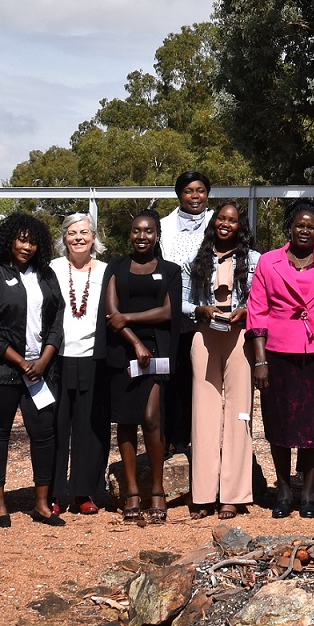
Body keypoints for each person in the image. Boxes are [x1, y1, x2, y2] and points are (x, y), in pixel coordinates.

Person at [247, 201, 314, 520]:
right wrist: (260, 360)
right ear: (289, 229)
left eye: (311, 226)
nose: (305, 230)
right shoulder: (268, 262)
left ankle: (308, 493)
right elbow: (257, 311)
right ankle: (283, 491)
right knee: (279, 424)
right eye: (299, 225)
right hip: (278, 355)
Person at [0, 212, 65, 527]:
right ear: (9, 239)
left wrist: (44, 359)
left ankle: (41, 503)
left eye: (34, 242)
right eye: (22, 239)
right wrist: (21, 361)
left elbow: (57, 320)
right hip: (1, 370)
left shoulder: (46, 274)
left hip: (41, 370)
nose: (27, 247)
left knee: (44, 432)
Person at [105, 210, 184, 526]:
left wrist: (132, 319)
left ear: (157, 235)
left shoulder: (170, 271)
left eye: (148, 231)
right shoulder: (116, 267)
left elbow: (168, 312)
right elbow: (112, 313)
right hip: (122, 352)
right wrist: (135, 342)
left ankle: (158, 490)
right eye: (136, 231)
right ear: (130, 234)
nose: (141, 237)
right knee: (125, 422)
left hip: (158, 354)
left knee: (151, 419)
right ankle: (132, 493)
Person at [190, 200, 255, 520]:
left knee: (240, 414)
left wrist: (247, 312)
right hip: (204, 337)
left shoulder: (252, 260)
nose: (226, 224)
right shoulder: (198, 258)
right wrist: (199, 311)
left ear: (240, 226)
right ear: (214, 222)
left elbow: (262, 301)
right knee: (203, 416)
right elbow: (184, 303)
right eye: (221, 219)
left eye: (232, 220)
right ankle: (203, 495)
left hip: (240, 338)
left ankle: (234, 494)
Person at [51, 212, 111, 515]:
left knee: (90, 428)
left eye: (84, 232)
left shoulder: (106, 271)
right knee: (58, 427)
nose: (78, 237)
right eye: (72, 232)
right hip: (58, 358)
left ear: (93, 237)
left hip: (93, 358)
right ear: (64, 237)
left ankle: (84, 492)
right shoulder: (51, 269)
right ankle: (54, 492)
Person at [159, 170, 214, 467]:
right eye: (189, 191)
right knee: (174, 376)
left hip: (207, 314)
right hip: (173, 313)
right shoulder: (164, 226)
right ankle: (171, 438)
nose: (195, 196)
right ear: (179, 194)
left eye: (201, 190)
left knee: (201, 379)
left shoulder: (218, 221)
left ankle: (195, 440)